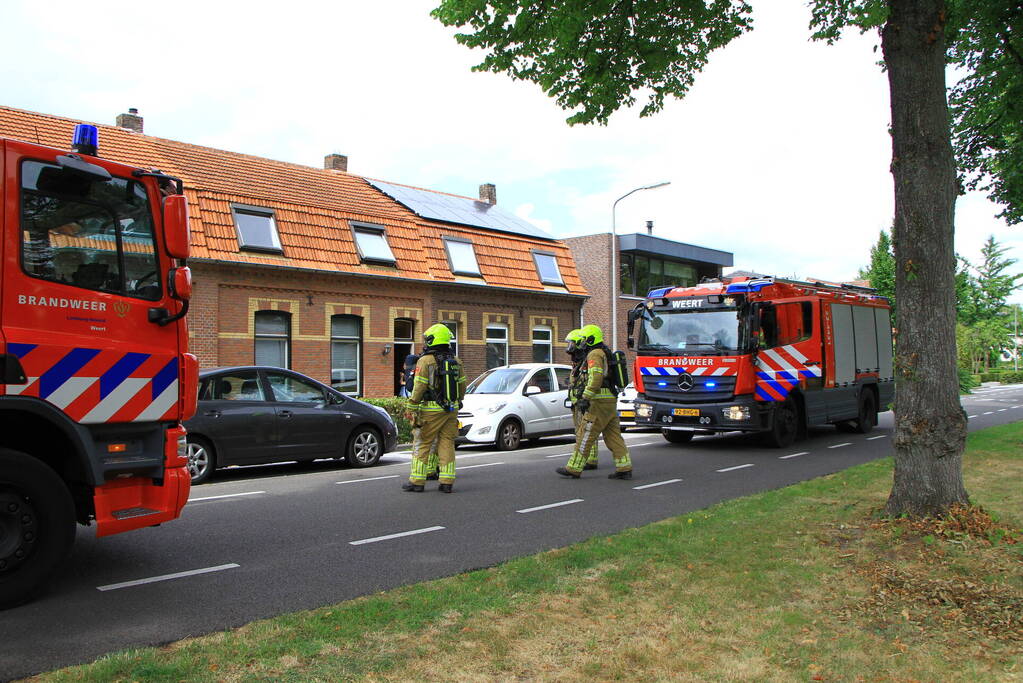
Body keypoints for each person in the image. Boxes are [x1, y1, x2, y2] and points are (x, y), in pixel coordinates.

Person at [556, 324, 633, 480]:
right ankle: (624, 467)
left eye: (584, 339)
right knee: (613, 436)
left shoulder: (594, 354)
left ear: (590, 340)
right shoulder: (603, 352)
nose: (582, 343)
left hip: (598, 402)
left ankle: (574, 468)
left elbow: (595, 378)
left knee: (585, 434)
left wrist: (585, 397)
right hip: (609, 401)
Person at [402, 323, 466, 493]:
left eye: (427, 339)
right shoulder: (456, 361)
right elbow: (462, 387)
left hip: (430, 410)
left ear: (432, 340)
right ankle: (446, 481)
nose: (425, 342)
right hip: (451, 410)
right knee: (447, 443)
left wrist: (411, 406)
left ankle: (417, 481)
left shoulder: (425, 361)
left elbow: (419, 386)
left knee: (422, 442)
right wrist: (458, 401)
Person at [564, 328, 599, 470]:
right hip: (576, 403)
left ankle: (588, 460)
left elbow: (588, 381)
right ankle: (587, 458)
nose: (570, 347)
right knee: (581, 431)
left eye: (572, 343)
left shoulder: (587, 362)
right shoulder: (578, 363)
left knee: (585, 432)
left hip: (584, 402)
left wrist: (585, 399)